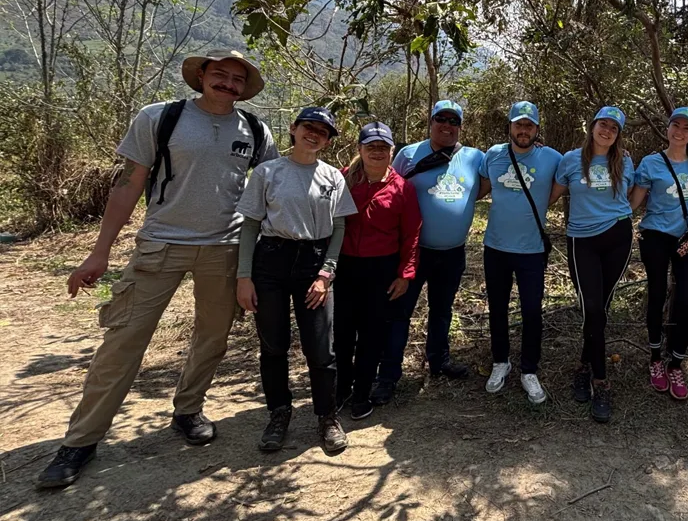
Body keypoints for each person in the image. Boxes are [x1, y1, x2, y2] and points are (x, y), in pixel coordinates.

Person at [38, 50, 277, 489]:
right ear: (201, 76)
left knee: (212, 337)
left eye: (236, 78)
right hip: (161, 244)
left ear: (244, 87)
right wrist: (99, 252)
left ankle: (188, 410)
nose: (227, 83)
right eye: (219, 74)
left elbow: (266, 196)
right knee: (124, 341)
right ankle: (81, 441)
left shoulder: (256, 131)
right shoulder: (160, 118)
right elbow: (128, 183)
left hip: (224, 250)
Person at [236, 107, 357, 455]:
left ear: (329, 140)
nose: (315, 134)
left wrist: (327, 272)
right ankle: (279, 413)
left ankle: (327, 416)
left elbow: (340, 227)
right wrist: (244, 276)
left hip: (314, 264)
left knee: (321, 348)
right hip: (270, 262)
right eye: (309, 127)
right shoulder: (267, 172)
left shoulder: (333, 177)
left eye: (323, 131)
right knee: (273, 345)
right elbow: (250, 225)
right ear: (294, 129)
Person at [390, 100, 488, 394]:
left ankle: (438, 360)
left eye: (453, 121)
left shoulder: (474, 157)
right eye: (440, 119)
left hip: (452, 252)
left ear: (460, 126)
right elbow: (391, 189)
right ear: (430, 122)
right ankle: (389, 373)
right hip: (413, 252)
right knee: (399, 311)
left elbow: (483, 186)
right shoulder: (408, 154)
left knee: (442, 309)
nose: (447, 126)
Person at [549, 106, 635, 423]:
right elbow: (552, 195)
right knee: (593, 309)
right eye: (603, 123)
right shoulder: (570, 159)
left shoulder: (625, 160)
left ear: (618, 133)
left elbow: (632, 195)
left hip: (618, 238)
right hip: (582, 242)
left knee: (601, 309)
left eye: (614, 127)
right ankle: (600, 381)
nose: (607, 130)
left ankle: (584, 366)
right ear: (593, 126)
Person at [333, 122, 422, 421]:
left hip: (382, 268)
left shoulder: (402, 187)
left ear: (391, 152)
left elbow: (412, 233)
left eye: (383, 147)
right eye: (370, 146)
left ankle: (361, 393)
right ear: (359, 149)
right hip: (345, 266)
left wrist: (405, 274)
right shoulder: (343, 179)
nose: (376, 152)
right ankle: (341, 387)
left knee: (372, 333)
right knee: (343, 331)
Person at [480, 101, 562, 405]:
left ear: (537, 129)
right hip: (496, 247)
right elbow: (478, 188)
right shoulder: (493, 155)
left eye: (529, 125)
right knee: (498, 310)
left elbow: (578, 171)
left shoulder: (552, 158)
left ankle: (529, 369)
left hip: (531, 250)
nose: (523, 130)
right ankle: (501, 362)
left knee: (531, 312)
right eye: (518, 124)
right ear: (510, 127)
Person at [628, 107, 688, 401]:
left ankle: (675, 363)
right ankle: (655, 358)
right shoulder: (651, 163)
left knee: (687, 300)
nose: (680, 132)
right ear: (668, 127)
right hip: (656, 236)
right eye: (676, 125)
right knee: (658, 294)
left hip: (687, 238)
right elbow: (634, 202)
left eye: (687, 128)